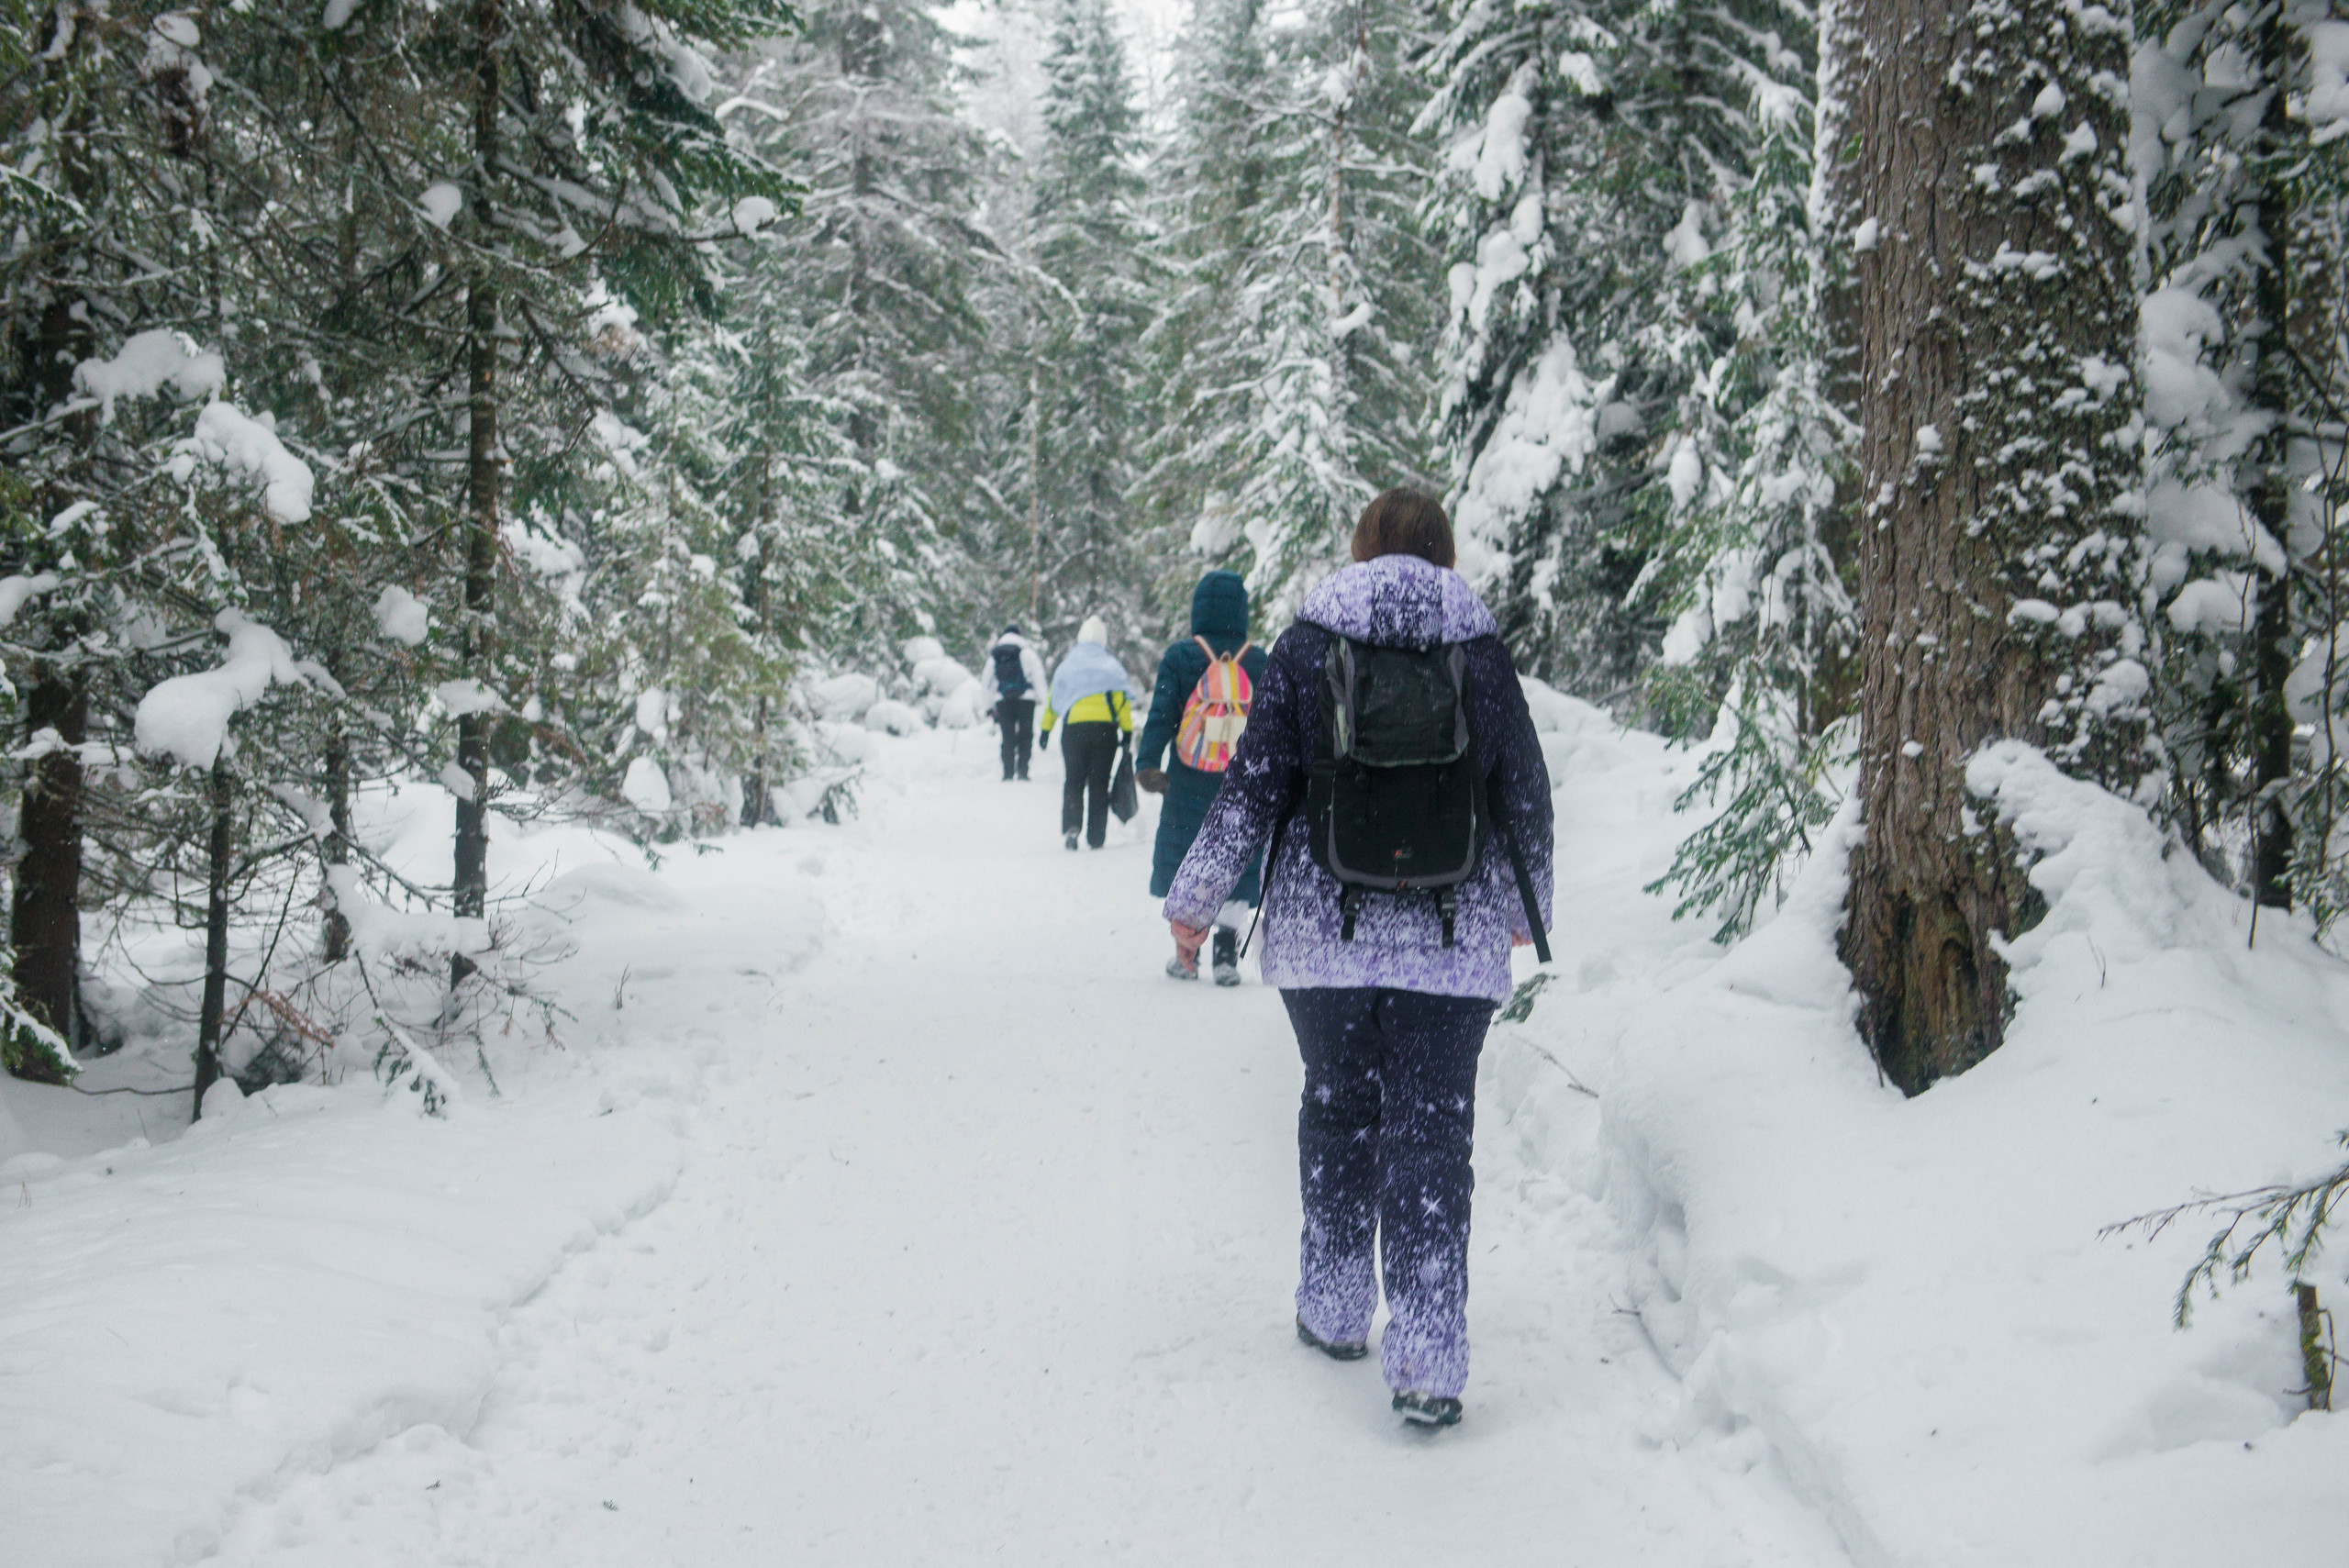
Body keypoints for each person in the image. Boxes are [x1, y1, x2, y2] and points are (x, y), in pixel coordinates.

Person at [1160, 489, 1553, 1429]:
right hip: (1451, 943)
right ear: (1444, 553)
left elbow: (1253, 788)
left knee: (1337, 1105)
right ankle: (1426, 1352)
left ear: (1361, 547)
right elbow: (1525, 792)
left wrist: (1192, 903)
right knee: (1432, 1131)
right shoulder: (1483, 652)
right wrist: (1522, 909)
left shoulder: (1304, 644)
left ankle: (1335, 1304)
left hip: (1319, 935)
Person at [1137, 570, 1268, 985]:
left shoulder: (1181, 656)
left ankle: (1187, 955)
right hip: (1243, 782)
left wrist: (1147, 763)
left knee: (1189, 863)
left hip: (1189, 780)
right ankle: (1227, 959)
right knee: (1238, 862)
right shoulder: (1258, 660)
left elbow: (1160, 716)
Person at [1040, 617, 1140, 851]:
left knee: (1073, 781)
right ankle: (1096, 836)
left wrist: (1045, 729)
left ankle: (1072, 828)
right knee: (1099, 783)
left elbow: (1054, 701)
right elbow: (1121, 702)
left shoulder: (1068, 666)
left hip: (1074, 731)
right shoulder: (1111, 666)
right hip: (1105, 732)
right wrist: (1126, 731)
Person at [985, 625, 1046, 782]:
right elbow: (1038, 676)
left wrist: (988, 706)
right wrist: (1042, 699)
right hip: (1026, 700)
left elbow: (987, 682)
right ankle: (1023, 771)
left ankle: (1007, 772)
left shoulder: (996, 656)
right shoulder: (1027, 653)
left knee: (1007, 736)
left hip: (1003, 700)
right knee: (1026, 735)